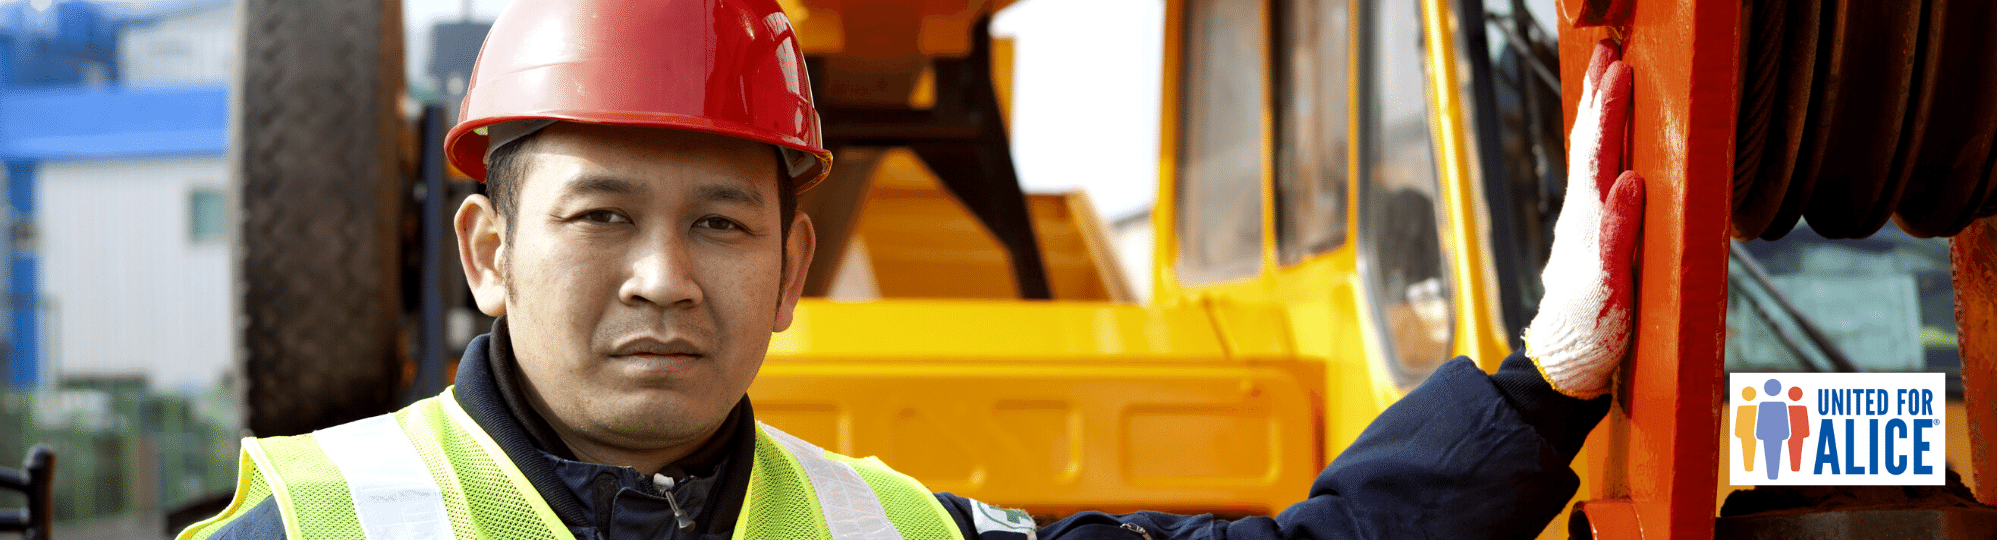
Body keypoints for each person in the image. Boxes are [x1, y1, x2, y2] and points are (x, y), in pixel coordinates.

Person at [176, 1, 1644, 538]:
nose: (665, 279)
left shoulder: (886, 532)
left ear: (794, 266)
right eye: (602, 217)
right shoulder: (314, 528)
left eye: (724, 225)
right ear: (488, 252)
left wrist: (1545, 383)